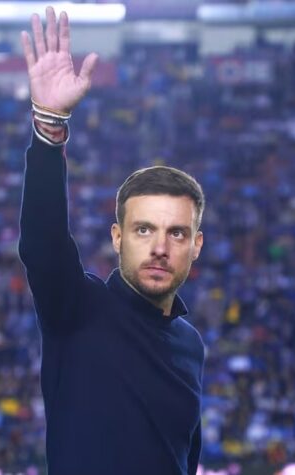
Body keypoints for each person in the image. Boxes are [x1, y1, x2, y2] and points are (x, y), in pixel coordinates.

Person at [18, 7, 206, 475]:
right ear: (117, 237)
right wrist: (49, 128)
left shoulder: (190, 344)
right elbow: (43, 243)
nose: (160, 247)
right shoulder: (78, 308)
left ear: (196, 246)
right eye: (144, 229)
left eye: (176, 232)